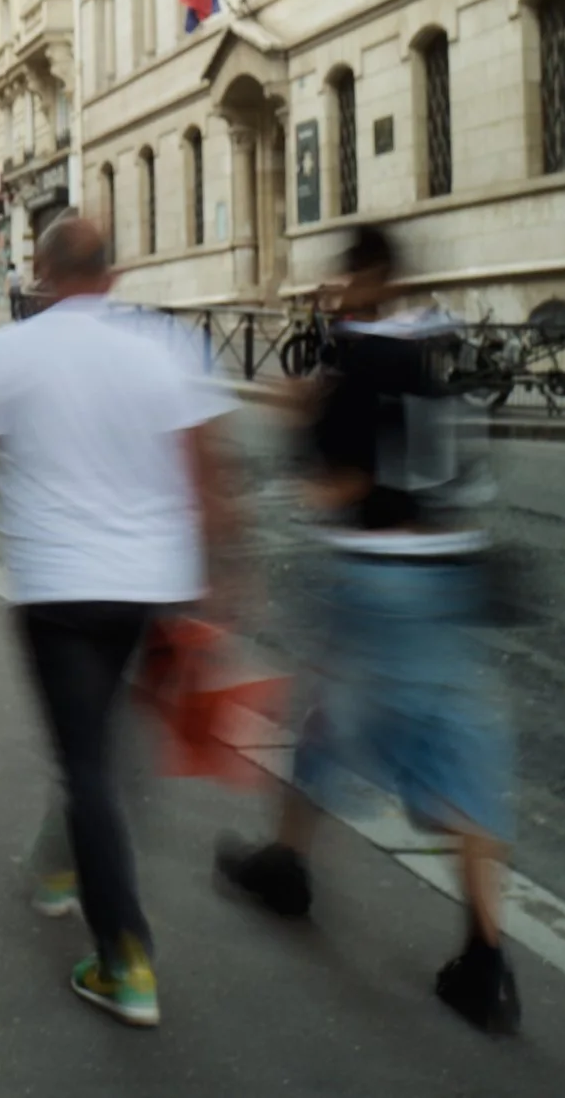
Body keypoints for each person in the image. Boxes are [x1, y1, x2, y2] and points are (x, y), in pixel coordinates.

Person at [215, 223, 520, 1034]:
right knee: (452, 745)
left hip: (381, 583)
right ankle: (484, 956)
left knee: (358, 729)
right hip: (453, 573)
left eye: (341, 279)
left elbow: (333, 487)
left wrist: (292, 420)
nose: (333, 293)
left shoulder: (356, 366)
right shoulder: (439, 359)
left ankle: (289, 868)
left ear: (365, 278)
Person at [0, 214, 237, 1028]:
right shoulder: (165, 347)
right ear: (112, 276)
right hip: (149, 585)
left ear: (41, 275)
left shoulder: (5, 354)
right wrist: (224, 586)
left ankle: (125, 960)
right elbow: (207, 479)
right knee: (94, 750)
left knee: (86, 759)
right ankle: (59, 868)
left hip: (57, 589)